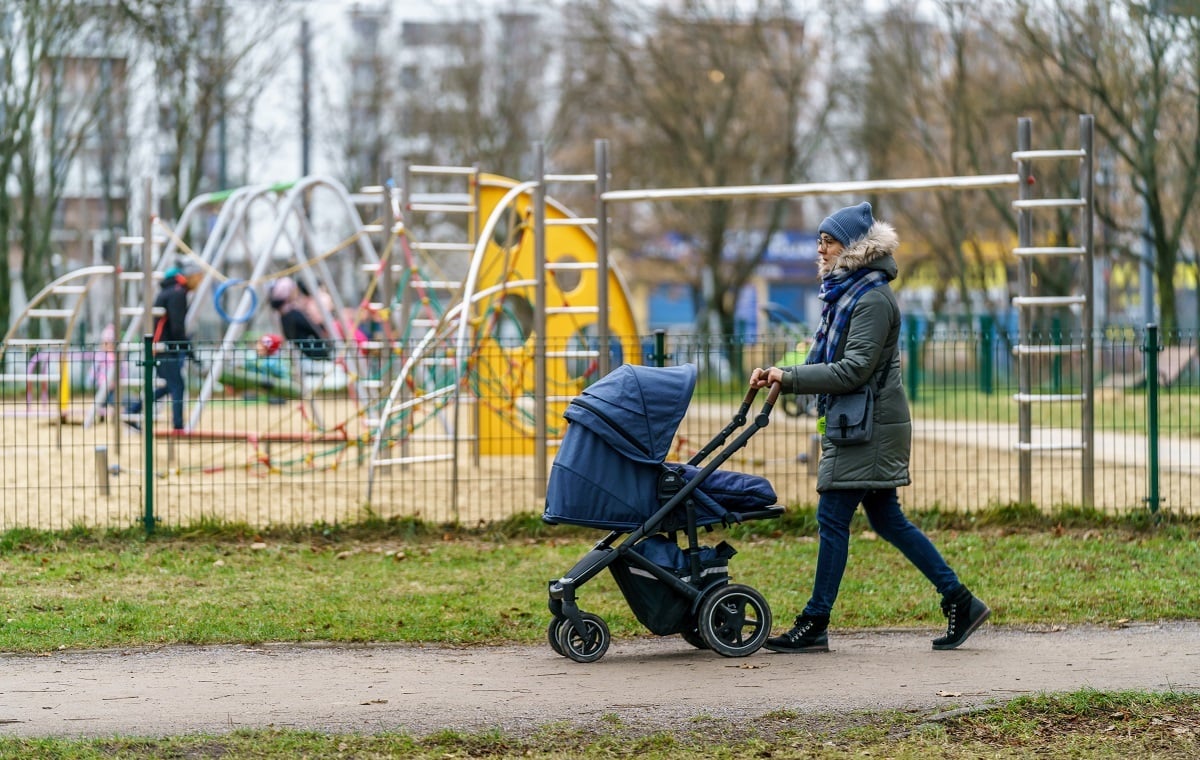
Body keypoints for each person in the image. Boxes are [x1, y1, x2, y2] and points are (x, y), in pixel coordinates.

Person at [750, 202, 990, 653]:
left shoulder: (872, 299)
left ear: (854, 248)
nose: (820, 249)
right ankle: (961, 600)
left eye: (829, 241)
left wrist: (792, 376)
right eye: (818, 241)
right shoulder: (844, 294)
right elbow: (824, 361)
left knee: (833, 517)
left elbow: (853, 370)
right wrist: (780, 371)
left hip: (870, 427)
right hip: (857, 423)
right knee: (887, 519)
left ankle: (815, 621)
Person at [127, 261, 204, 431]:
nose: (200, 283)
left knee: (170, 385)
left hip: (160, 345)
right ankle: (178, 426)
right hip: (163, 346)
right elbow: (177, 327)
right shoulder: (178, 294)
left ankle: (133, 411)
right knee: (177, 385)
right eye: (199, 278)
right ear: (190, 277)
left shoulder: (171, 291)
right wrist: (188, 349)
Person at [268, 277, 332, 361]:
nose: (296, 291)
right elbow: (314, 328)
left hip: (306, 354)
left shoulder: (284, 314)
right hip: (315, 354)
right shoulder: (293, 314)